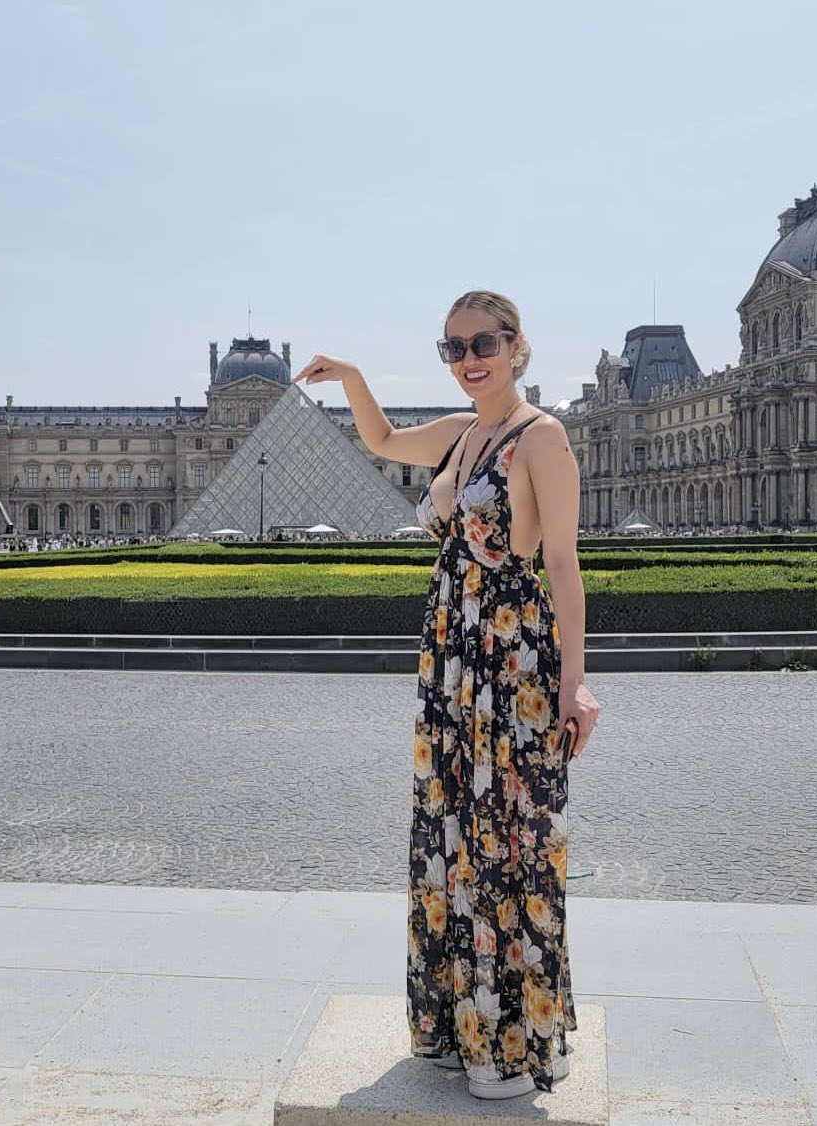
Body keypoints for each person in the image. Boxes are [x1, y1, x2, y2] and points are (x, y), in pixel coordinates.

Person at [294, 290, 599, 1100]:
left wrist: (577, 683)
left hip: (508, 662)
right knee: (450, 836)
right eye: (454, 347)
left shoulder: (544, 437)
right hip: (449, 662)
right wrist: (354, 375)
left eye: (484, 343)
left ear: (517, 345)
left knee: (505, 840)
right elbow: (384, 439)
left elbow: (562, 566)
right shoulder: (463, 434)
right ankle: (456, 1026)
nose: (469, 358)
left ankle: (512, 1039)